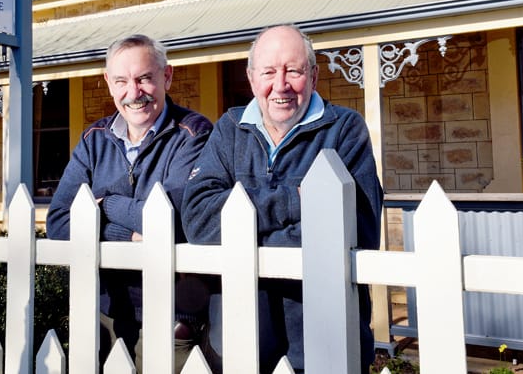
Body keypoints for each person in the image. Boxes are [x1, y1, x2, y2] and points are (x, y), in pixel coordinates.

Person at [181, 24, 384, 373]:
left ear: (315, 75)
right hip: (238, 343)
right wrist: (295, 201)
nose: (281, 85)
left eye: (293, 70)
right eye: (269, 72)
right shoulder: (230, 130)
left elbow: (357, 231)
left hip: (324, 343)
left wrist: (247, 231)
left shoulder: (345, 130)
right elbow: (199, 221)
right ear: (250, 77)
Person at [46, 34, 213, 372]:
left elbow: (175, 221)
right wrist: (129, 234)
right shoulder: (95, 139)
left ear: (166, 77)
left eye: (144, 78)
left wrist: (105, 204)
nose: (133, 93)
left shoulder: (193, 133)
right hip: (110, 310)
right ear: (109, 83)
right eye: (121, 81)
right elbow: (60, 223)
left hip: (173, 315)